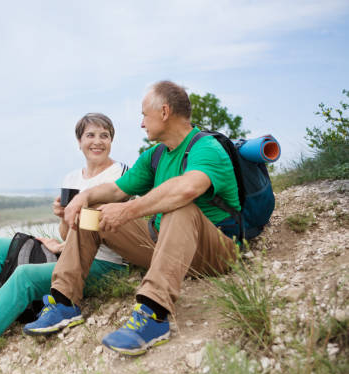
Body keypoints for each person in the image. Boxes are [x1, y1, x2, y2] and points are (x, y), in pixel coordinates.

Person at [23, 81, 239, 356]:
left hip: (214, 251)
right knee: (94, 211)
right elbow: (116, 188)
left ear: (164, 112)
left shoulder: (206, 148)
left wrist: (127, 210)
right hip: (162, 244)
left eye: (143, 115)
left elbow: (187, 188)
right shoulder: (156, 155)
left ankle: (153, 315)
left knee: (181, 206)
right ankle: (64, 301)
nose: (140, 124)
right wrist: (84, 198)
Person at [0, 113, 128, 374]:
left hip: (106, 263)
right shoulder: (72, 178)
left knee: (25, 276)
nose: (97, 141)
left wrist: (69, 244)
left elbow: (121, 228)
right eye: (90, 135)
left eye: (104, 135)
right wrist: (63, 218)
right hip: (74, 254)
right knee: (4, 246)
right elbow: (68, 233)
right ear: (79, 142)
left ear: (112, 141)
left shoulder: (121, 175)